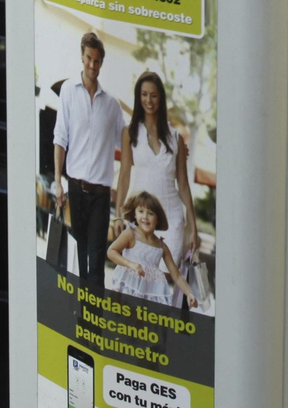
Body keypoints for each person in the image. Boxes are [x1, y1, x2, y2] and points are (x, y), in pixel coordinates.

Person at [112, 71, 200, 304]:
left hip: (170, 218)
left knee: (164, 280)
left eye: (153, 95)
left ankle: (159, 332)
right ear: (138, 97)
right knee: (140, 276)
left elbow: (183, 184)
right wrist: (118, 215)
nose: (148, 100)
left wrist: (193, 226)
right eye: (144, 95)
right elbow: (124, 177)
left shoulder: (175, 138)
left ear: (161, 99)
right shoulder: (129, 132)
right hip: (140, 216)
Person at [51, 32, 127, 288]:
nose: (92, 65)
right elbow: (60, 138)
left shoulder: (112, 105)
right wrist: (58, 183)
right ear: (82, 57)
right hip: (75, 188)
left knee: (95, 263)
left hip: (100, 195)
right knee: (78, 260)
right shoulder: (68, 92)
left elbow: (127, 145)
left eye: (97, 61)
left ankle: (94, 325)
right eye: (88, 59)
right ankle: (79, 320)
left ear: (102, 63)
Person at [107, 192, 199, 308]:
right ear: (134, 214)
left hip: (148, 294)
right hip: (127, 289)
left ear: (157, 219)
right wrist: (130, 264)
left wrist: (189, 293)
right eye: (141, 211)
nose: (145, 217)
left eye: (150, 213)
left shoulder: (161, 246)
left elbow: (177, 275)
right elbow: (111, 251)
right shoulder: (131, 234)